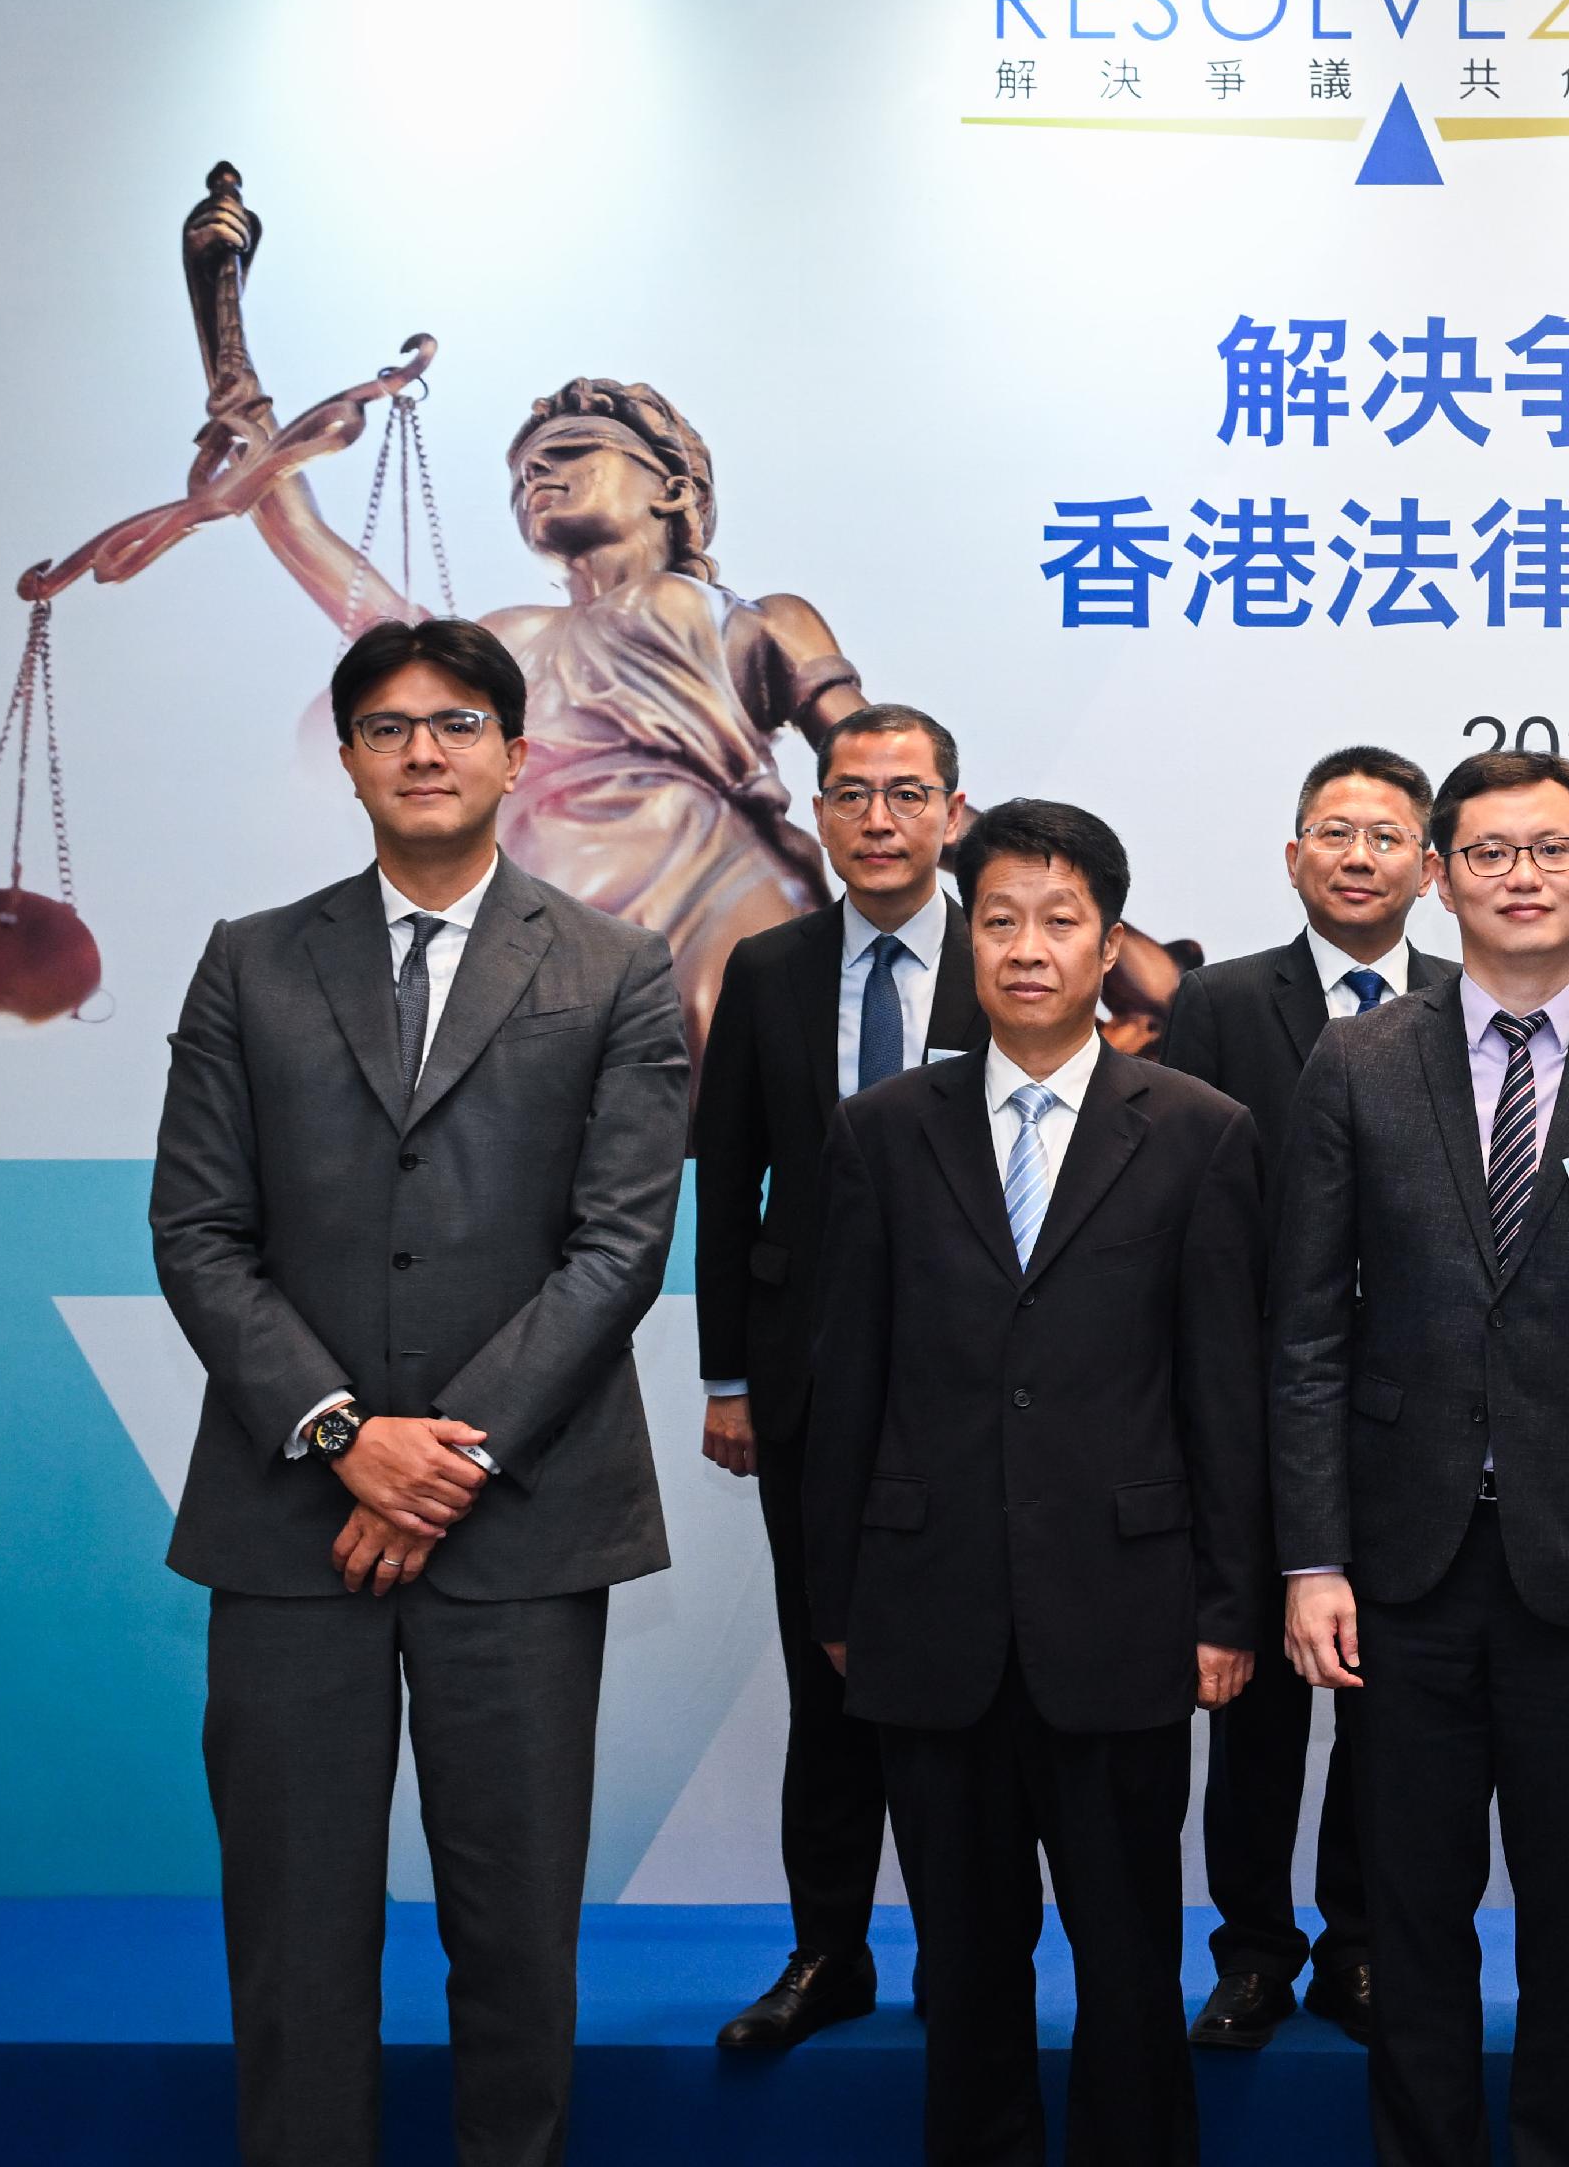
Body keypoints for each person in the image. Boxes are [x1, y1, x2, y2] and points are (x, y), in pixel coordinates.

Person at [152, 618, 685, 2167]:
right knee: (295, 1933)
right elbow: (197, 1228)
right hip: (287, 1525)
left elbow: (619, 1243)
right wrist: (340, 1436)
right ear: (350, 762)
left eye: (458, 722)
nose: (425, 750)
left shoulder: (615, 965)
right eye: (389, 728)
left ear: (517, 755)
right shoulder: (251, 956)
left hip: (517, 1525)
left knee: (514, 1931)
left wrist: (440, 1457)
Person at [1269, 750, 1569, 2167]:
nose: (1521, 875)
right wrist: (1312, 1554)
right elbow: (1303, 1334)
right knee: (1409, 1911)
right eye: (1488, 851)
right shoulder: (1357, 1058)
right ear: (1438, 873)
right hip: (1400, 1568)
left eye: (1550, 848)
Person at [800, 797, 1265, 2167]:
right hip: (930, 1606)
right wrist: (841, 1593)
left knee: (1129, 1969)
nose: (1025, 946)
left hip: (1122, 1611)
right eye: (997, 917)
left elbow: (1220, 1390)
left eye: (1059, 921)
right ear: (966, 938)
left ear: (1108, 943)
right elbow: (847, 1382)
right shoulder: (882, 1129)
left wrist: (1230, 1602)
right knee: (967, 1970)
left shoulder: (1198, 1129)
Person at [243, 376, 868, 1055]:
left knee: (737, 1116)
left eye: (572, 449)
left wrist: (994, 857)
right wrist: (240, 392)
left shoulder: (752, 618)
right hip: (543, 918)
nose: (537, 471)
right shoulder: (500, 638)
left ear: (674, 489)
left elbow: (882, 763)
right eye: (521, 473)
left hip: (716, 887)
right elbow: (357, 593)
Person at [1150, 745, 1461, 2051]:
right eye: (1331, 832)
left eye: (1386, 836)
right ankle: (1253, 1946)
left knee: (1388, 1706)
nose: (1356, 856)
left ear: (1430, 868)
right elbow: (1178, 1208)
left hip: (1419, 1416)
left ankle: (1361, 1939)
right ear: (1292, 856)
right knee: (1258, 1704)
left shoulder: (1468, 999)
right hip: (1254, 1399)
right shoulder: (1220, 1004)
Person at [689, 703, 981, 2049]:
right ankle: (829, 1950)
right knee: (833, 1673)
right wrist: (728, 1377)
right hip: (811, 1381)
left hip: (987, 1386)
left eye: (906, 793)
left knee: (978, 1677)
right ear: (817, 812)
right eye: (852, 793)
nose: (879, 818)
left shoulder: (1014, 953)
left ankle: (969, 1954)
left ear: (952, 813)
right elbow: (729, 1175)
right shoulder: (771, 967)